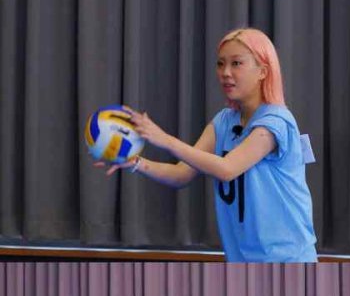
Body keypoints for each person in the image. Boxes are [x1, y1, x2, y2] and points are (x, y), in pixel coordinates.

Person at [95, 28, 318, 262]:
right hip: (242, 259)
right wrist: (135, 162)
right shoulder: (224, 121)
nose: (225, 72)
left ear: (263, 71)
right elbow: (181, 174)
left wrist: (164, 139)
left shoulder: (276, 122)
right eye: (221, 64)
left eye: (236, 63)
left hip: (288, 259)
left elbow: (227, 169)